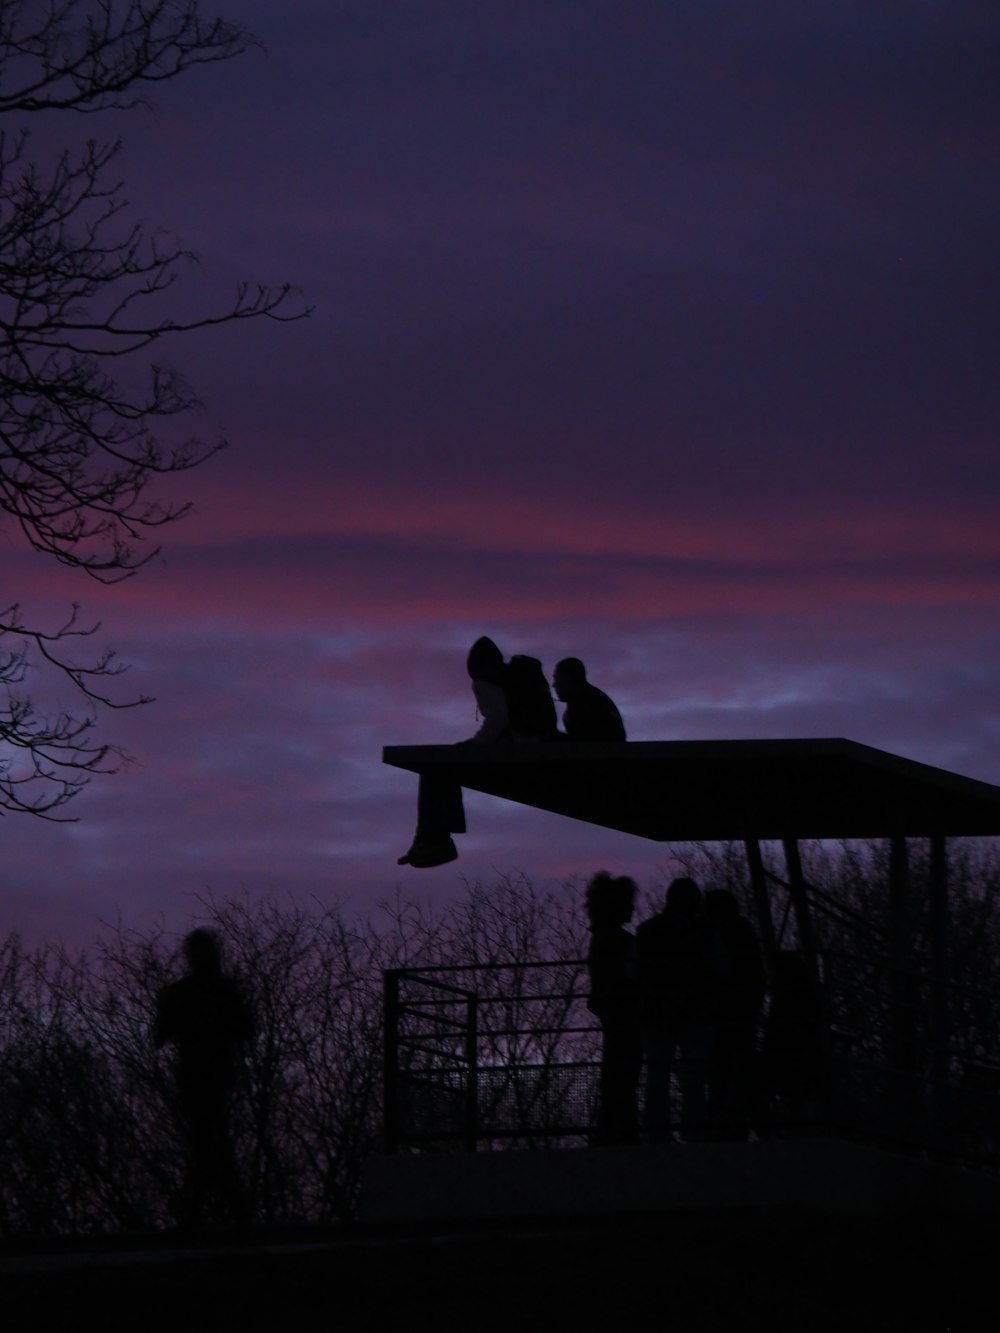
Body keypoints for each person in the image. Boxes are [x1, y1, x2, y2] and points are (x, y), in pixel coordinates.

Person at [398, 637, 556, 868]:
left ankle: (433, 841)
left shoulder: (485, 680)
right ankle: (435, 839)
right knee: (447, 762)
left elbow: (498, 719)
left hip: (516, 744)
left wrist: (475, 745)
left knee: (435, 765)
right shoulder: (519, 675)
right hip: (539, 739)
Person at [153, 929, 254, 1229]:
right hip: (214, 1076)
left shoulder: (183, 993)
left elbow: (160, 1035)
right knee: (212, 1143)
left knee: (207, 1144)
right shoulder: (223, 990)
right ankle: (230, 1214)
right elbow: (245, 1030)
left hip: (197, 1076)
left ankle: (202, 1214)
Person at [636, 877, 720, 1143]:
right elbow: (721, 969)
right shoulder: (707, 932)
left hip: (657, 1013)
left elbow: (633, 970)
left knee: (658, 1075)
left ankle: (656, 1132)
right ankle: (693, 1131)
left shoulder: (648, 930)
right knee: (694, 1076)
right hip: (697, 1013)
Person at [585, 871, 642, 1146]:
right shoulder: (617, 940)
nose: (633, 908)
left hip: (614, 1011)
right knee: (624, 1072)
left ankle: (612, 1129)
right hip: (624, 1012)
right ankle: (620, 1130)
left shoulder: (602, 937)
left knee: (617, 1072)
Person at [704, 889, 765, 1140]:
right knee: (738, 1072)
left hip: (724, 1015)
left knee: (722, 1072)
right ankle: (739, 1122)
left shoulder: (715, 935)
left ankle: (725, 1124)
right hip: (741, 1014)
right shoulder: (744, 933)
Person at [552, 658, 626, 743]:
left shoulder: (585, 703)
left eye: (557, 679)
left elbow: (584, 743)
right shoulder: (594, 697)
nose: (554, 685)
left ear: (568, 678)